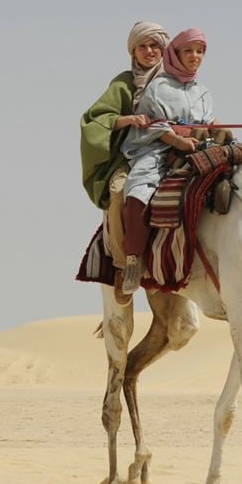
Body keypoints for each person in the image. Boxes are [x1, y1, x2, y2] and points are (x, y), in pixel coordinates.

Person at [120, 28, 214, 294]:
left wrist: (212, 130)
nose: (195, 56)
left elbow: (205, 122)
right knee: (137, 192)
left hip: (196, 148)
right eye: (188, 51)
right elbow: (150, 124)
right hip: (156, 150)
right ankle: (133, 260)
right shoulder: (159, 86)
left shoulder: (203, 92)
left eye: (200, 51)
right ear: (175, 53)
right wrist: (176, 140)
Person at [79, 21, 171, 276]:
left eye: (154, 45)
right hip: (131, 156)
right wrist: (129, 120)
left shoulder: (175, 81)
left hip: (173, 151)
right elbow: (95, 119)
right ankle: (124, 265)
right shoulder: (124, 83)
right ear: (133, 52)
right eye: (142, 46)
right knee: (119, 193)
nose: (149, 51)